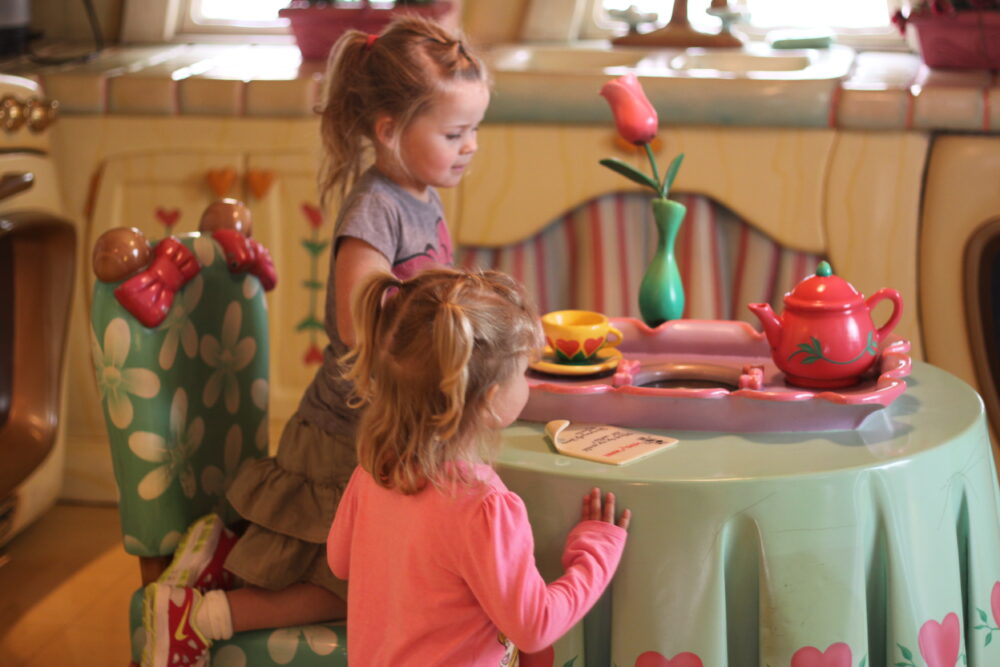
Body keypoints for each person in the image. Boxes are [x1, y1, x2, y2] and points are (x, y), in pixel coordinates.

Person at [140, 16, 491, 667]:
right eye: (454, 132)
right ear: (389, 130)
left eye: (473, 129)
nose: (471, 146)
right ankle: (202, 614)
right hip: (347, 435)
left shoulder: (422, 196)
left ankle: (223, 553)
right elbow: (359, 321)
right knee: (353, 585)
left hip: (388, 421)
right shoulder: (376, 208)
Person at [328, 268, 631, 665]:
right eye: (523, 372)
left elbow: (339, 560)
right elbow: (534, 626)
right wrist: (596, 555)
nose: (527, 383)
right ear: (488, 400)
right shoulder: (483, 508)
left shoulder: (374, 471)